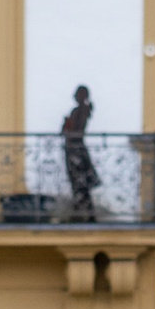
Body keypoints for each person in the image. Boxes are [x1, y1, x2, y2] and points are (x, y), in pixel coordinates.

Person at [60, 84, 99, 221]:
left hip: (75, 151)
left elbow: (76, 131)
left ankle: (84, 214)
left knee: (79, 183)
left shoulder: (81, 111)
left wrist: (68, 125)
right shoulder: (81, 111)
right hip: (75, 150)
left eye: (78, 94)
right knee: (79, 183)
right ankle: (82, 213)